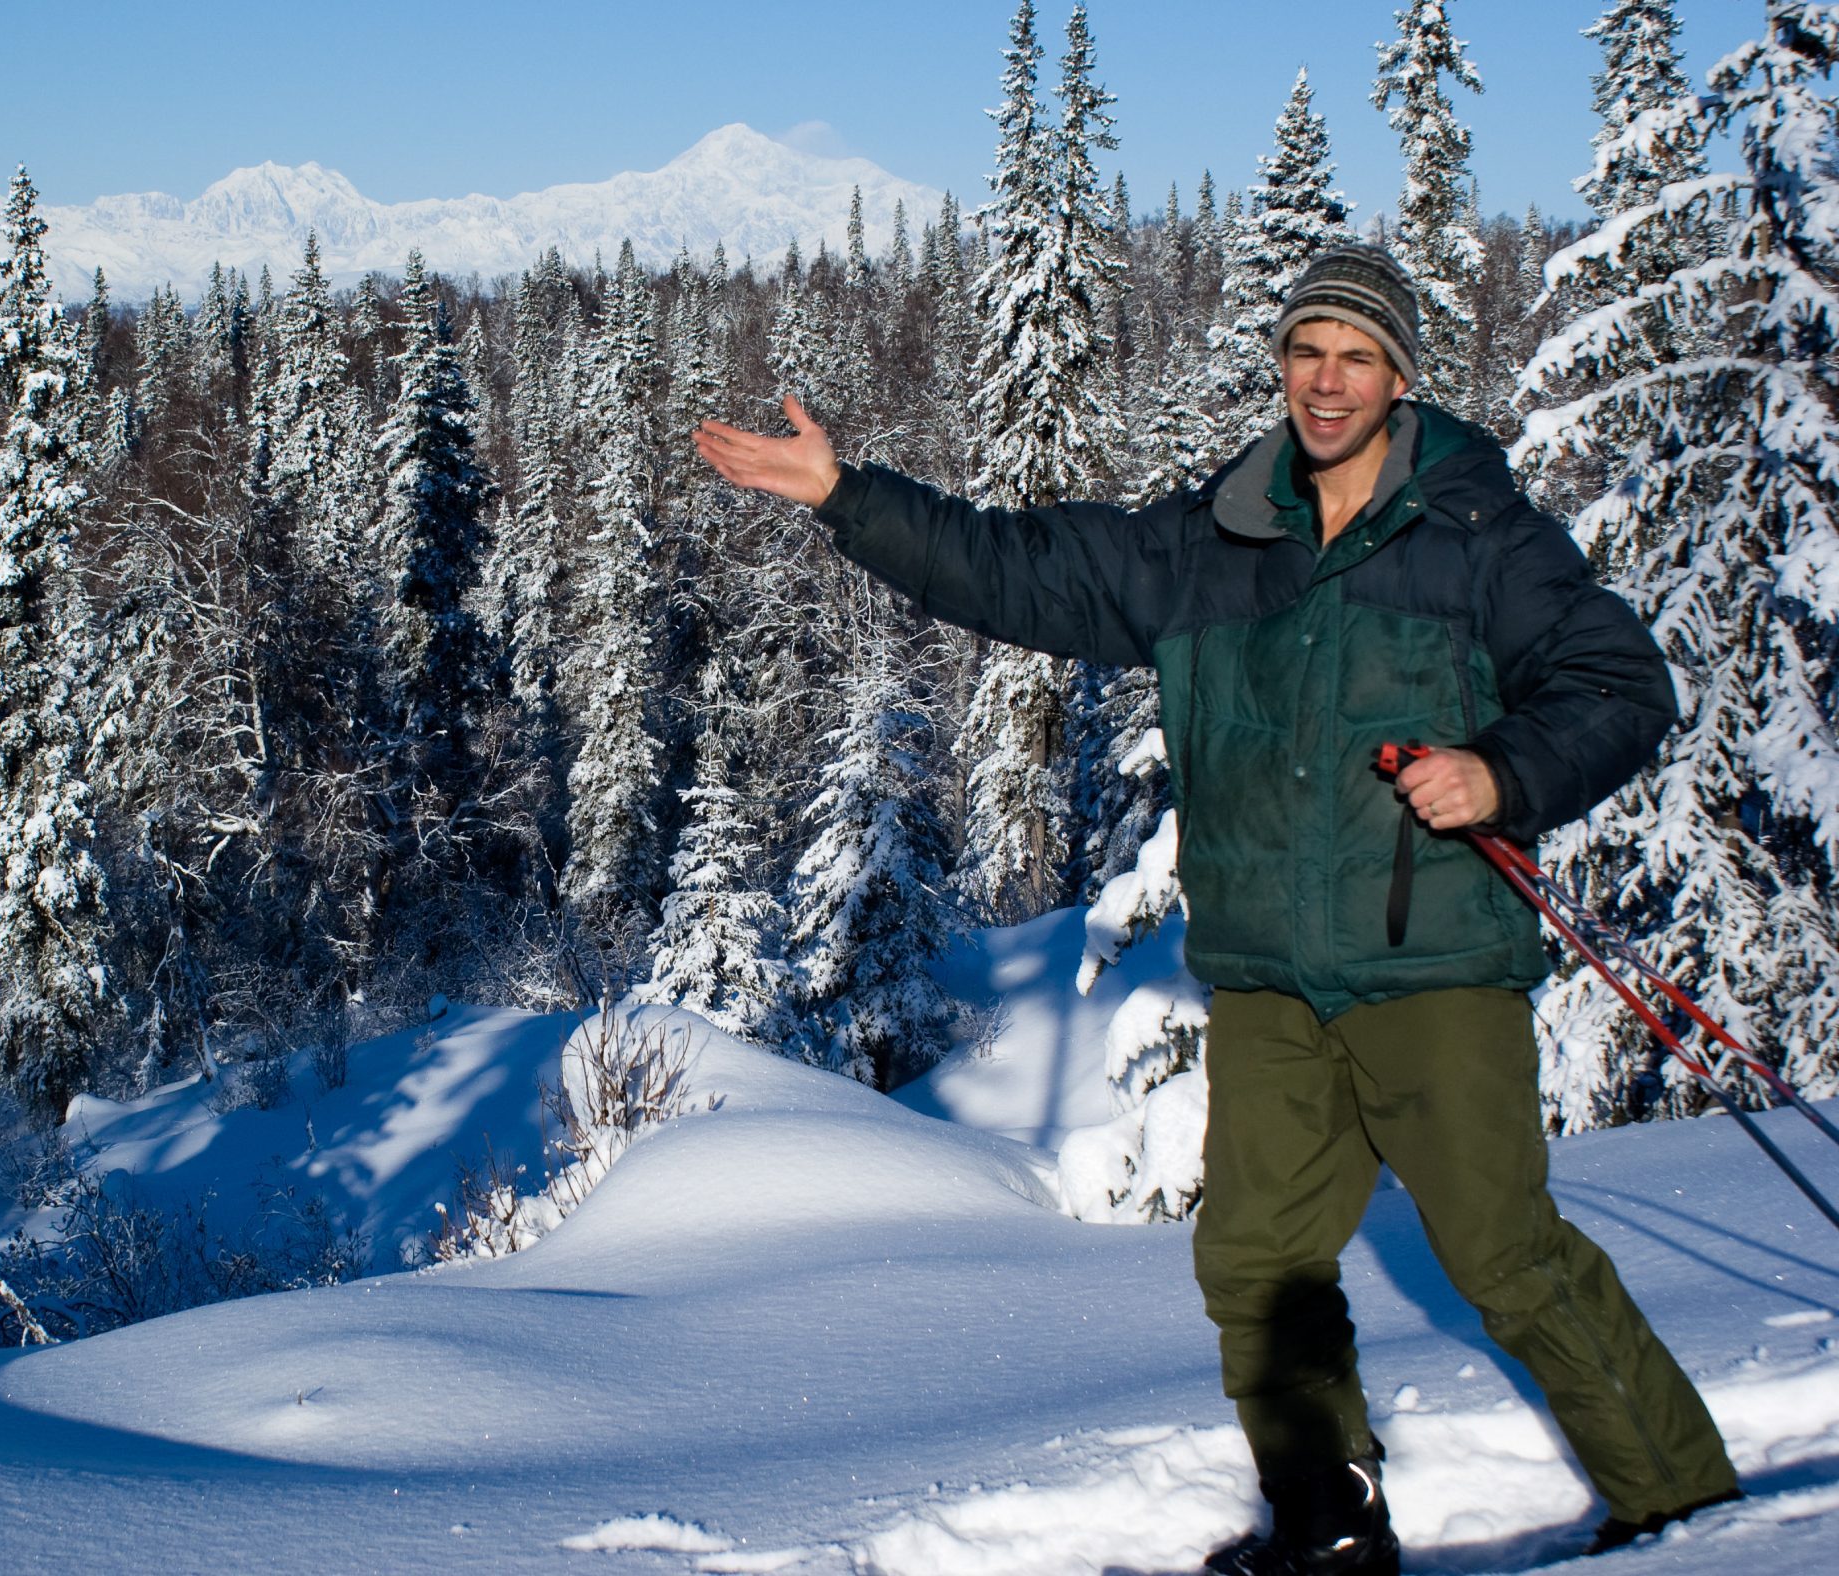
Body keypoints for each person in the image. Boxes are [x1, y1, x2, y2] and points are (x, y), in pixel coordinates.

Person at [693, 243, 1741, 1575]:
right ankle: (1328, 1524)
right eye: (1307, 352)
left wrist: (1502, 771)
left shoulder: (1485, 542)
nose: (1327, 380)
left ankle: (1692, 1516)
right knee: (1258, 1265)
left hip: (1434, 974)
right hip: (1270, 983)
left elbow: (1618, 680)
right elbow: (1018, 570)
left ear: (1401, 377)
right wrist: (846, 494)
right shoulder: (1212, 542)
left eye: (1357, 356)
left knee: (1506, 1256)